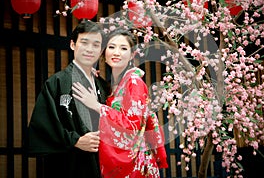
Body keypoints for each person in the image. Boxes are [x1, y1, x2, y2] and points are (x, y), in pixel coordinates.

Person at [72, 28, 168, 177]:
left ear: (132, 54)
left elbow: (132, 127)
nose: (116, 52)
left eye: (123, 48)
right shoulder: (116, 84)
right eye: (111, 47)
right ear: (104, 52)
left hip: (136, 166)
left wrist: (98, 107)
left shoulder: (134, 82)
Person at [27, 20, 110, 178]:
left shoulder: (103, 85)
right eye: (84, 42)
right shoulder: (57, 82)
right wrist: (75, 140)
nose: (89, 49)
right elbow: (44, 125)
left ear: (101, 51)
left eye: (96, 45)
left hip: (101, 164)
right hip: (68, 165)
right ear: (73, 44)